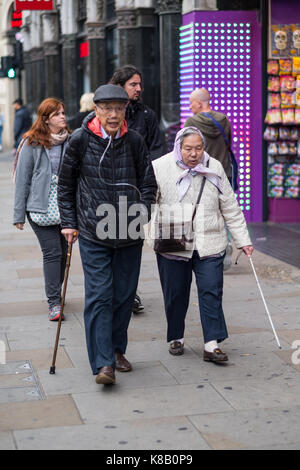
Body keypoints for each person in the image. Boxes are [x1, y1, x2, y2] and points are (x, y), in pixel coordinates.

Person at [57, 84, 157, 385]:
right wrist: (68, 222)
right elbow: (65, 185)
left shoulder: (135, 141)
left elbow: (149, 183)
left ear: (125, 110)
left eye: (119, 108)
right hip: (92, 231)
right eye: (107, 108)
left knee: (124, 297)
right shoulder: (79, 140)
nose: (113, 114)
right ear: (96, 110)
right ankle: (103, 364)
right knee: (100, 297)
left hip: (128, 231)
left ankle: (116, 350)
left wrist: (142, 212)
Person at [150, 127, 253, 362]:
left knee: (211, 290)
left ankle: (211, 344)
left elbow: (230, 205)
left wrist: (242, 240)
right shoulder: (160, 166)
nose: (194, 154)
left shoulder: (214, 166)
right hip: (173, 234)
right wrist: (151, 234)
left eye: (198, 148)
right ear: (178, 147)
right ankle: (176, 336)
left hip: (210, 238)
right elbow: (149, 204)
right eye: (188, 149)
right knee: (175, 293)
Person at [110, 65, 164, 314]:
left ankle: (128, 293)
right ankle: (112, 291)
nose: (139, 88)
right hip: (108, 193)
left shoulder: (147, 116)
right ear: (120, 86)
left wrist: (147, 185)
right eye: (133, 84)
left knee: (131, 246)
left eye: (140, 84)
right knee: (110, 245)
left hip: (136, 194)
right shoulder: (105, 115)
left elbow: (157, 150)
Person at [13, 98, 71, 321]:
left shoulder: (71, 140)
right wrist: (19, 215)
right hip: (40, 208)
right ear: (46, 119)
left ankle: (55, 289)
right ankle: (54, 302)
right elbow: (22, 180)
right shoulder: (32, 142)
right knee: (52, 253)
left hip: (65, 207)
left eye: (63, 112)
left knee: (64, 255)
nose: (63, 117)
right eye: (57, 114)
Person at [184, 88, 236, 270]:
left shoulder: (191, 122)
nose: (190, 106)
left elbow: (185, 148)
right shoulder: (224, 120)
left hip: (202, 173)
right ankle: (226, 242)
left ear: (199, 103)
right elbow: (229, 141)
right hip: (224, 172)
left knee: (204, 211)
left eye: (191, 103)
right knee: (224, 210)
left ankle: (208, 249)